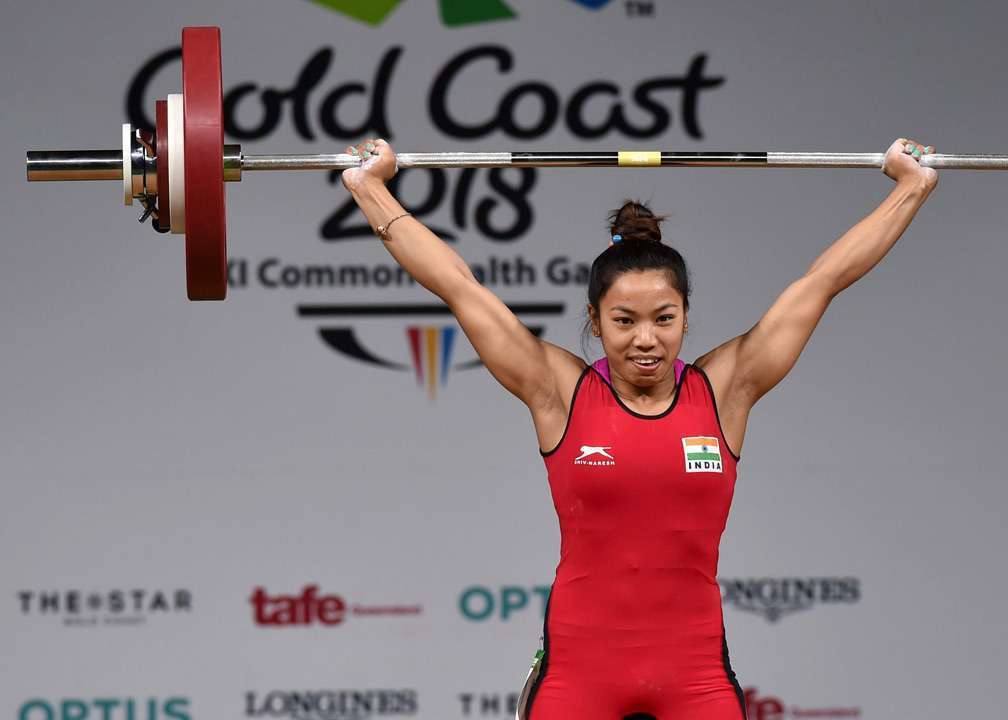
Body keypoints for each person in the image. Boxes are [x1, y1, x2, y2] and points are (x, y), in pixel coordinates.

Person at [340, 137, 937, 720]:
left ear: (685, 318)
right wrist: (370, 188)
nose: (646, 339)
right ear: (596, 321)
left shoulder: (724, 390)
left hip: (695, 676)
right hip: (578, 675)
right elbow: (457, 285)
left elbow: (823, 281)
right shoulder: (560, 392)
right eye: (624, 321)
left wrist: (911, 188)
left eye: (664, 319)